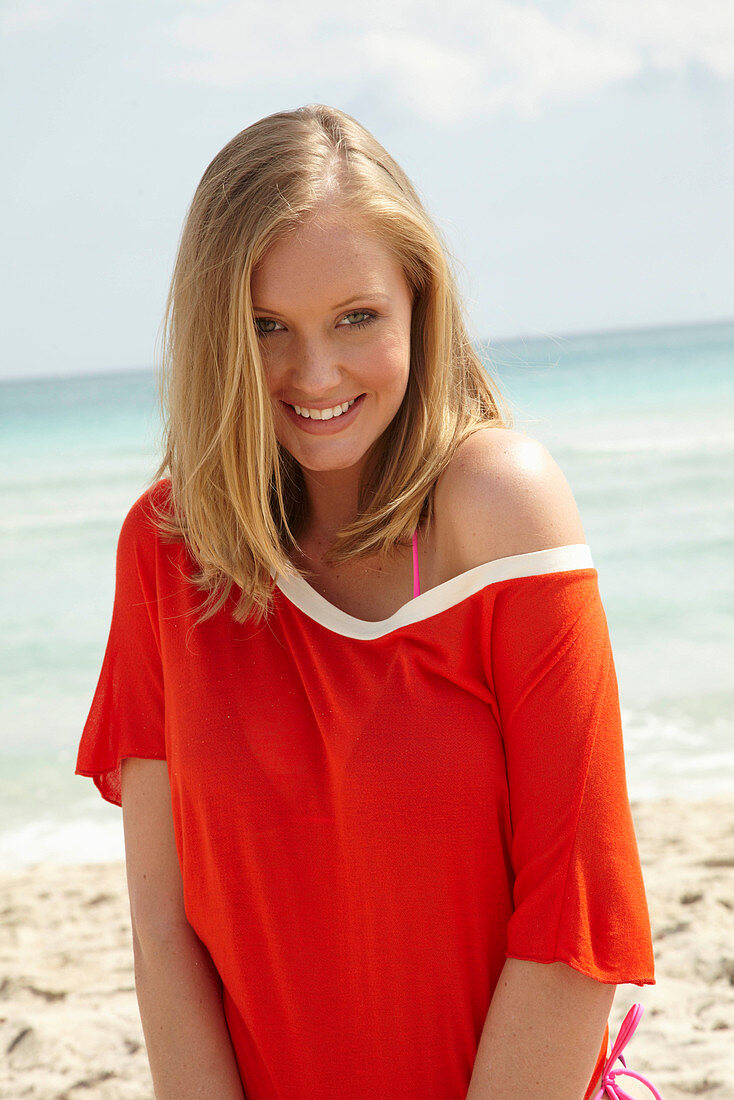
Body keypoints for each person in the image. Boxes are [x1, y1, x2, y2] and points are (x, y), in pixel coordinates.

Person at [76, 103, 656, 1099]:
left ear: (416, 304)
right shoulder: (166, 550)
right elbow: (163, 933)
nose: (313, 374)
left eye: (355, 317)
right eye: (265, 327)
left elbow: (574, 919)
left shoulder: (496, 507)